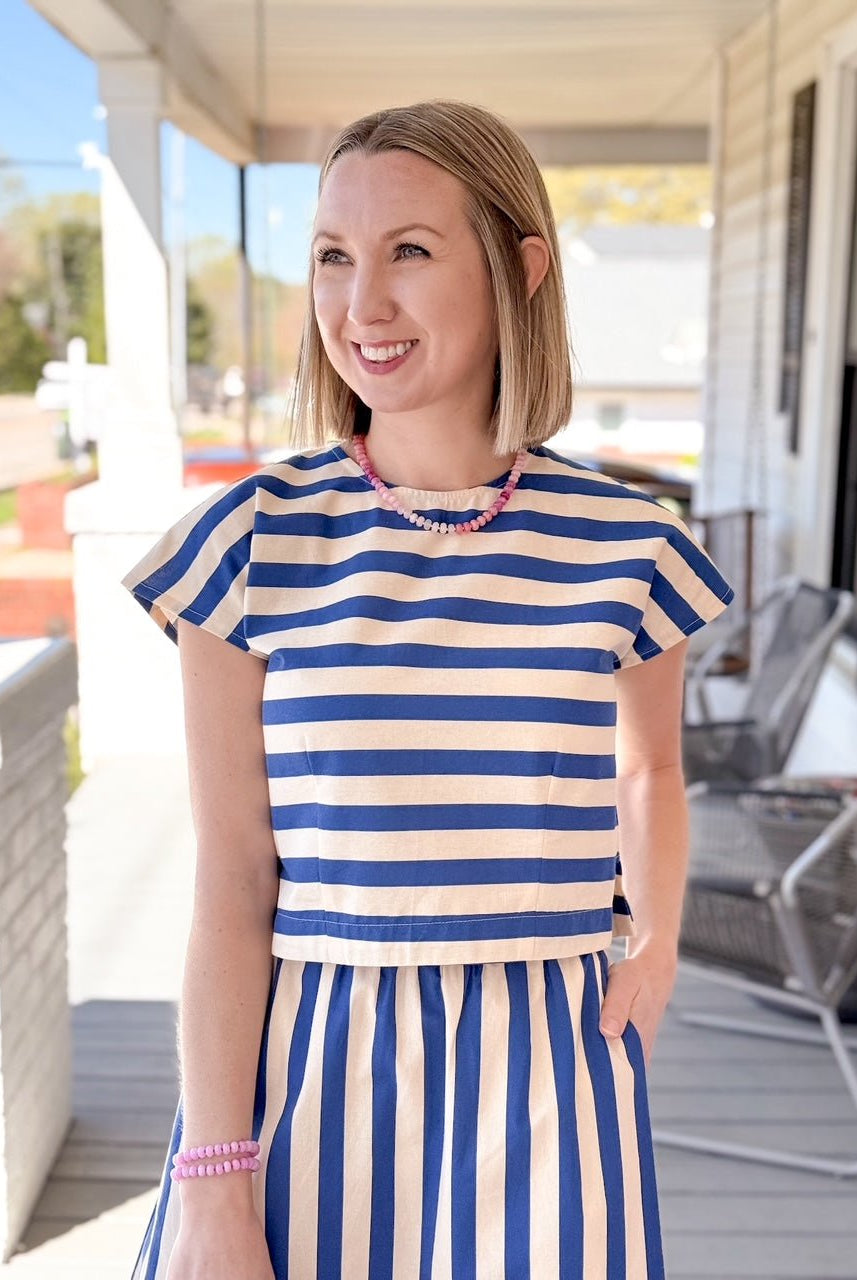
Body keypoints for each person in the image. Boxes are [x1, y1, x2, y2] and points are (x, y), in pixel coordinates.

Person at [121, 98, 734, 1280]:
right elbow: (232, 882)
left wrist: (651, 945)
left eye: (408, 249)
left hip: (549, 1074)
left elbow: (649, 768)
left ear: (519, 267)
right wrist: (213, 1176)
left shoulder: (624, 542)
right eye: (333, 258)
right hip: (308, 1068)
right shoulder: (250, 541)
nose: (363, 308)